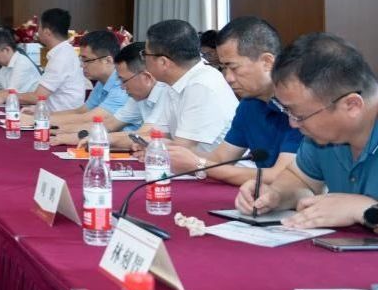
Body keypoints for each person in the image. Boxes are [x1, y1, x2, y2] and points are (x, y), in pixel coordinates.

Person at [237, 33, 378, 230]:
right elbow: (301, 179)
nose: (293, 124)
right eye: (288, 112)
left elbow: (358, 208)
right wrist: (276, 194)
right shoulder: (323, 137)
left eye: (299, 115)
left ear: (352, 105)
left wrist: (363, 208)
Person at [164, 17, 301, 184]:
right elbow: (220, 158)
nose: (227, 78)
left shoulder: (300, 106)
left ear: (267, 62)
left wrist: (199, 164)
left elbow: (281, 177)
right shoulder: (249, 104)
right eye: (223, 68)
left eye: (234, 68)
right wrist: (169, 152)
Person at [52, 42, 172, 148]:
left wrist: (95, 138)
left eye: (124, 80)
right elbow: (110, 124)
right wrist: (60, 131)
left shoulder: (166, 91)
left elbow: (143, 135)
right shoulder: (138, 96)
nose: (122, 87)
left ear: (146, 78)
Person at [144, 19, 238, 151]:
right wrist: (148, 144)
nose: (143, 59)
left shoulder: (201, 84)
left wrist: (152, 147)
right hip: (193, 162)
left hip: (221, 164)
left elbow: (182, 148)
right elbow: (159, 134)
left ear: (163, 62)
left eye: (145, 54)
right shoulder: (175, 84)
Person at [0, 8, 84, 110]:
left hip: (61, 116)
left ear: (47, 32)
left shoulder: (61, 57)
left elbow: (38, 96)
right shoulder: (62, 53)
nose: (37, 32)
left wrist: (5, 97)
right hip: (51, 112)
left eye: (39, 28)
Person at [48, 30, 129, 128]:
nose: (82, 65)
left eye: (86, 60)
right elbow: (81, 111)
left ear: (107, 60)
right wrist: (42, 115)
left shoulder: (122, 84)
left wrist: (40, 120)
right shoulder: (102, 81)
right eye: (81, 60)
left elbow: (88, 118)